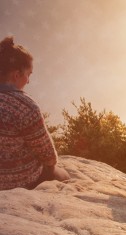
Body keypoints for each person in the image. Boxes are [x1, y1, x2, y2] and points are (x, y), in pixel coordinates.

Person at [0, 36, 70, 191]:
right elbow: (48, 156)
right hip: (20, 182)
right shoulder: (25, 106)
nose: (29, 81)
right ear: (16, 75)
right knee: (63, 175)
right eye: (28, 74)